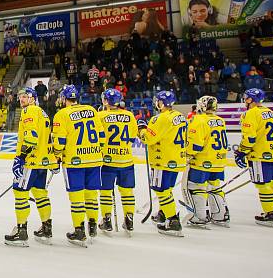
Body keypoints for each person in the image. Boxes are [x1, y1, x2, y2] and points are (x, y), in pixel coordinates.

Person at [51, 86, 103, 247]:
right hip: (94, 159)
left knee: (76, 198)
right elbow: (101, 135)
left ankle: (79, 230)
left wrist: (56, 155)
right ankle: (92, 225)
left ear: (64, 99)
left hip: (74, 161)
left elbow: (59, 142)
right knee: (91, 195)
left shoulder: (62, 114)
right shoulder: (92, 110)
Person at [4, 87, 54, 247]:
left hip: (30, 161)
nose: (22, 99)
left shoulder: (29, 111)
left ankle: (21, 230)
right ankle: (47, 228)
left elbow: (31, 138)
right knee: (40, 194)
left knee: (20, 192)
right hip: (42, 162)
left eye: (25, 96)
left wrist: (21, 158)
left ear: (33, 98)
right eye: (20, 97)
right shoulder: (42, 113)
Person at [138, 90, 187, 237]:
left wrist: (141, 129)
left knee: (161, 190)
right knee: (167, 189)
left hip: (162, 160)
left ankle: (172, 220)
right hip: (177, 158)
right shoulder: (180, 116)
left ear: (161, 103)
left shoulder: (159, 119)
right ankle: (163, 213)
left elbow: (148, 139)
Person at [235, 88, 273, 227]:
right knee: (271, 183)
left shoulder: (250, 113)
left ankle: (270, 214)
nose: (245, 100)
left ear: (251, 99)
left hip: (260, 154)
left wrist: (241, 152)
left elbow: (249, 138)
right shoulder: (268, 112)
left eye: (246, 98)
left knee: (262, 185)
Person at [96, 88, 138, 236]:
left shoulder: (100, 115)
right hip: (126, 160)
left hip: (107, 161)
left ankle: (107, 219)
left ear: (106, 101)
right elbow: (132, 138)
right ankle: (129, 218)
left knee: (106, 191)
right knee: (127, 191)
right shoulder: (129, 115)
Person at [184, 96, 230, 228]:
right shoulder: (220, 121)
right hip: (219, 161)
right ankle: (221, 215)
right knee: (215, 187)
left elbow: (195, 145)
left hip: (202, 162)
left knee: (196, 187)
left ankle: (199, 217)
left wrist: (187, 155)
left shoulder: (198, 120)